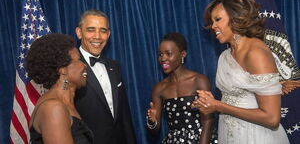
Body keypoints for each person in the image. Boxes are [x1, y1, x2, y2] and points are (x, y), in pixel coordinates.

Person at [192, 0, 290, 143]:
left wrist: (218, 106)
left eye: (217, 19)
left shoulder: (256, 53)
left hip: (257, 137)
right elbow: (232, 97)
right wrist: (209, 102)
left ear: (236, 17)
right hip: (230, 135)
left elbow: (272, 118)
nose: (213, 26)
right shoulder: (225, 55)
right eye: (212, 22)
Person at [74, 10, 136, 144]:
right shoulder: (70, 68)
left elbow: (124, 116)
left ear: (108, 34)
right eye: (91, 30)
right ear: (79, 33)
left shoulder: (114, 66)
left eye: (103, 31)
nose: (97, 36)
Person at [146, 32, 214, 144]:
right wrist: (152, 122)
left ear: (182, 54)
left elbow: (208, 121)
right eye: (160, 54)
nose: (163, 58)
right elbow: (154, 132)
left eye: (168, 53)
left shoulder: (199, 80)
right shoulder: (159, 88)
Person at [26, 33, 93, 144]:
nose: (84, 65)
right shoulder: (53, 108)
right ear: (62, 69)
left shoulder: (63, 104)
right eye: (79, 59)